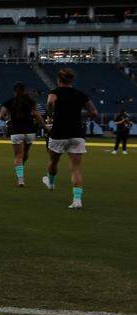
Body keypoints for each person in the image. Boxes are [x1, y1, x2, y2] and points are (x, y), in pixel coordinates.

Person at [43, 68, 98, 209]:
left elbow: (50, 103)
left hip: (58, 133)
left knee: (53, 162)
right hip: (76, 134)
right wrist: (79, 116)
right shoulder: (81, 95)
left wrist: (51, 113)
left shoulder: (55, 92)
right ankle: (77, 200)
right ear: (72, 80)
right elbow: (94, 112)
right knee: (76, 169)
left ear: (59, 80)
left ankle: (51, 182)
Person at [0, 82, 45, 187]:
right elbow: (37, 115)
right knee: (25, 153)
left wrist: (8, 119)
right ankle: (21, 167)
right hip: (30, 132)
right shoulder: (31, 101)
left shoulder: (9, 102)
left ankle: (20, 180)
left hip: (16, 132)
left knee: (18, 156)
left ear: (14, 91)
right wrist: (45, 127)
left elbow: (1, 115)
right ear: (24, 90)